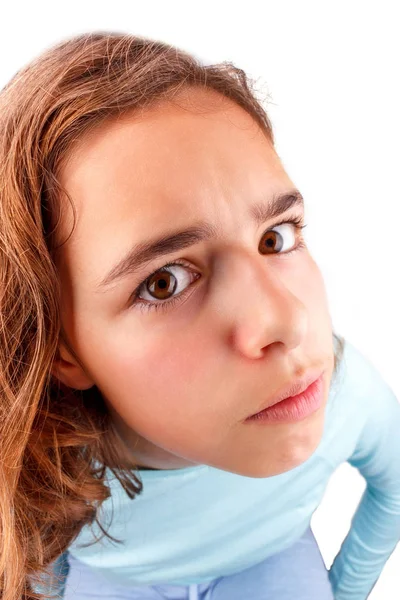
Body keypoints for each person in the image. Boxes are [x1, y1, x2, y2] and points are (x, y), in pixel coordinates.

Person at [0, 31, 399, 600]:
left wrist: (345, 590)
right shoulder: (42, 454)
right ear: (63, 348)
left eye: (275, 237)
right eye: (164, 283)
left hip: (271, 562)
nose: (288, 323)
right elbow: (33, 562)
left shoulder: (346, 395)